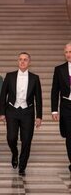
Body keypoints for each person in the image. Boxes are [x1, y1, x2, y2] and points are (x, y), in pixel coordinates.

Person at [0, 52, 42, 176]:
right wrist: (2, 112)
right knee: (11, 137)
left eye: (25, 60)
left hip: (27, 112)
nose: (22, 62)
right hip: (12, 110)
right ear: (17, 61)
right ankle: (14, 153)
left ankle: (22, 166)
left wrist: (39, 116)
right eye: (20, 59)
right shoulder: (9, 76)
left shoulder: (35, 78)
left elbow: (38, 98)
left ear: (29, 62)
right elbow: (3, 96)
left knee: (26, 140)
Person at [51, 42, 71, 173]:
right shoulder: (59, 69)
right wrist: (54, 110)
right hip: (66, 106)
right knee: (70, 135)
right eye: (66, 52)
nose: (68, 55)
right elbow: (54, 91)